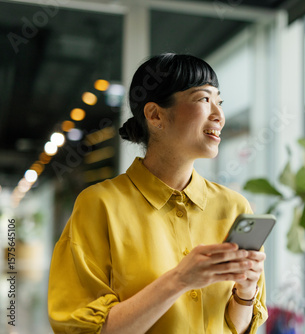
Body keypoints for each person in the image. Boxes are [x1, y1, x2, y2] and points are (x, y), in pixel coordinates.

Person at [47, 53, 268, 334]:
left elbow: (236, 328)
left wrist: (246, 292)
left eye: (219, 102)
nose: (219, 115)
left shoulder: (234, 207)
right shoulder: (99, 205)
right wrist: (179, 280)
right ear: (155, 115)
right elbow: (85, 330)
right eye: (204, 99)